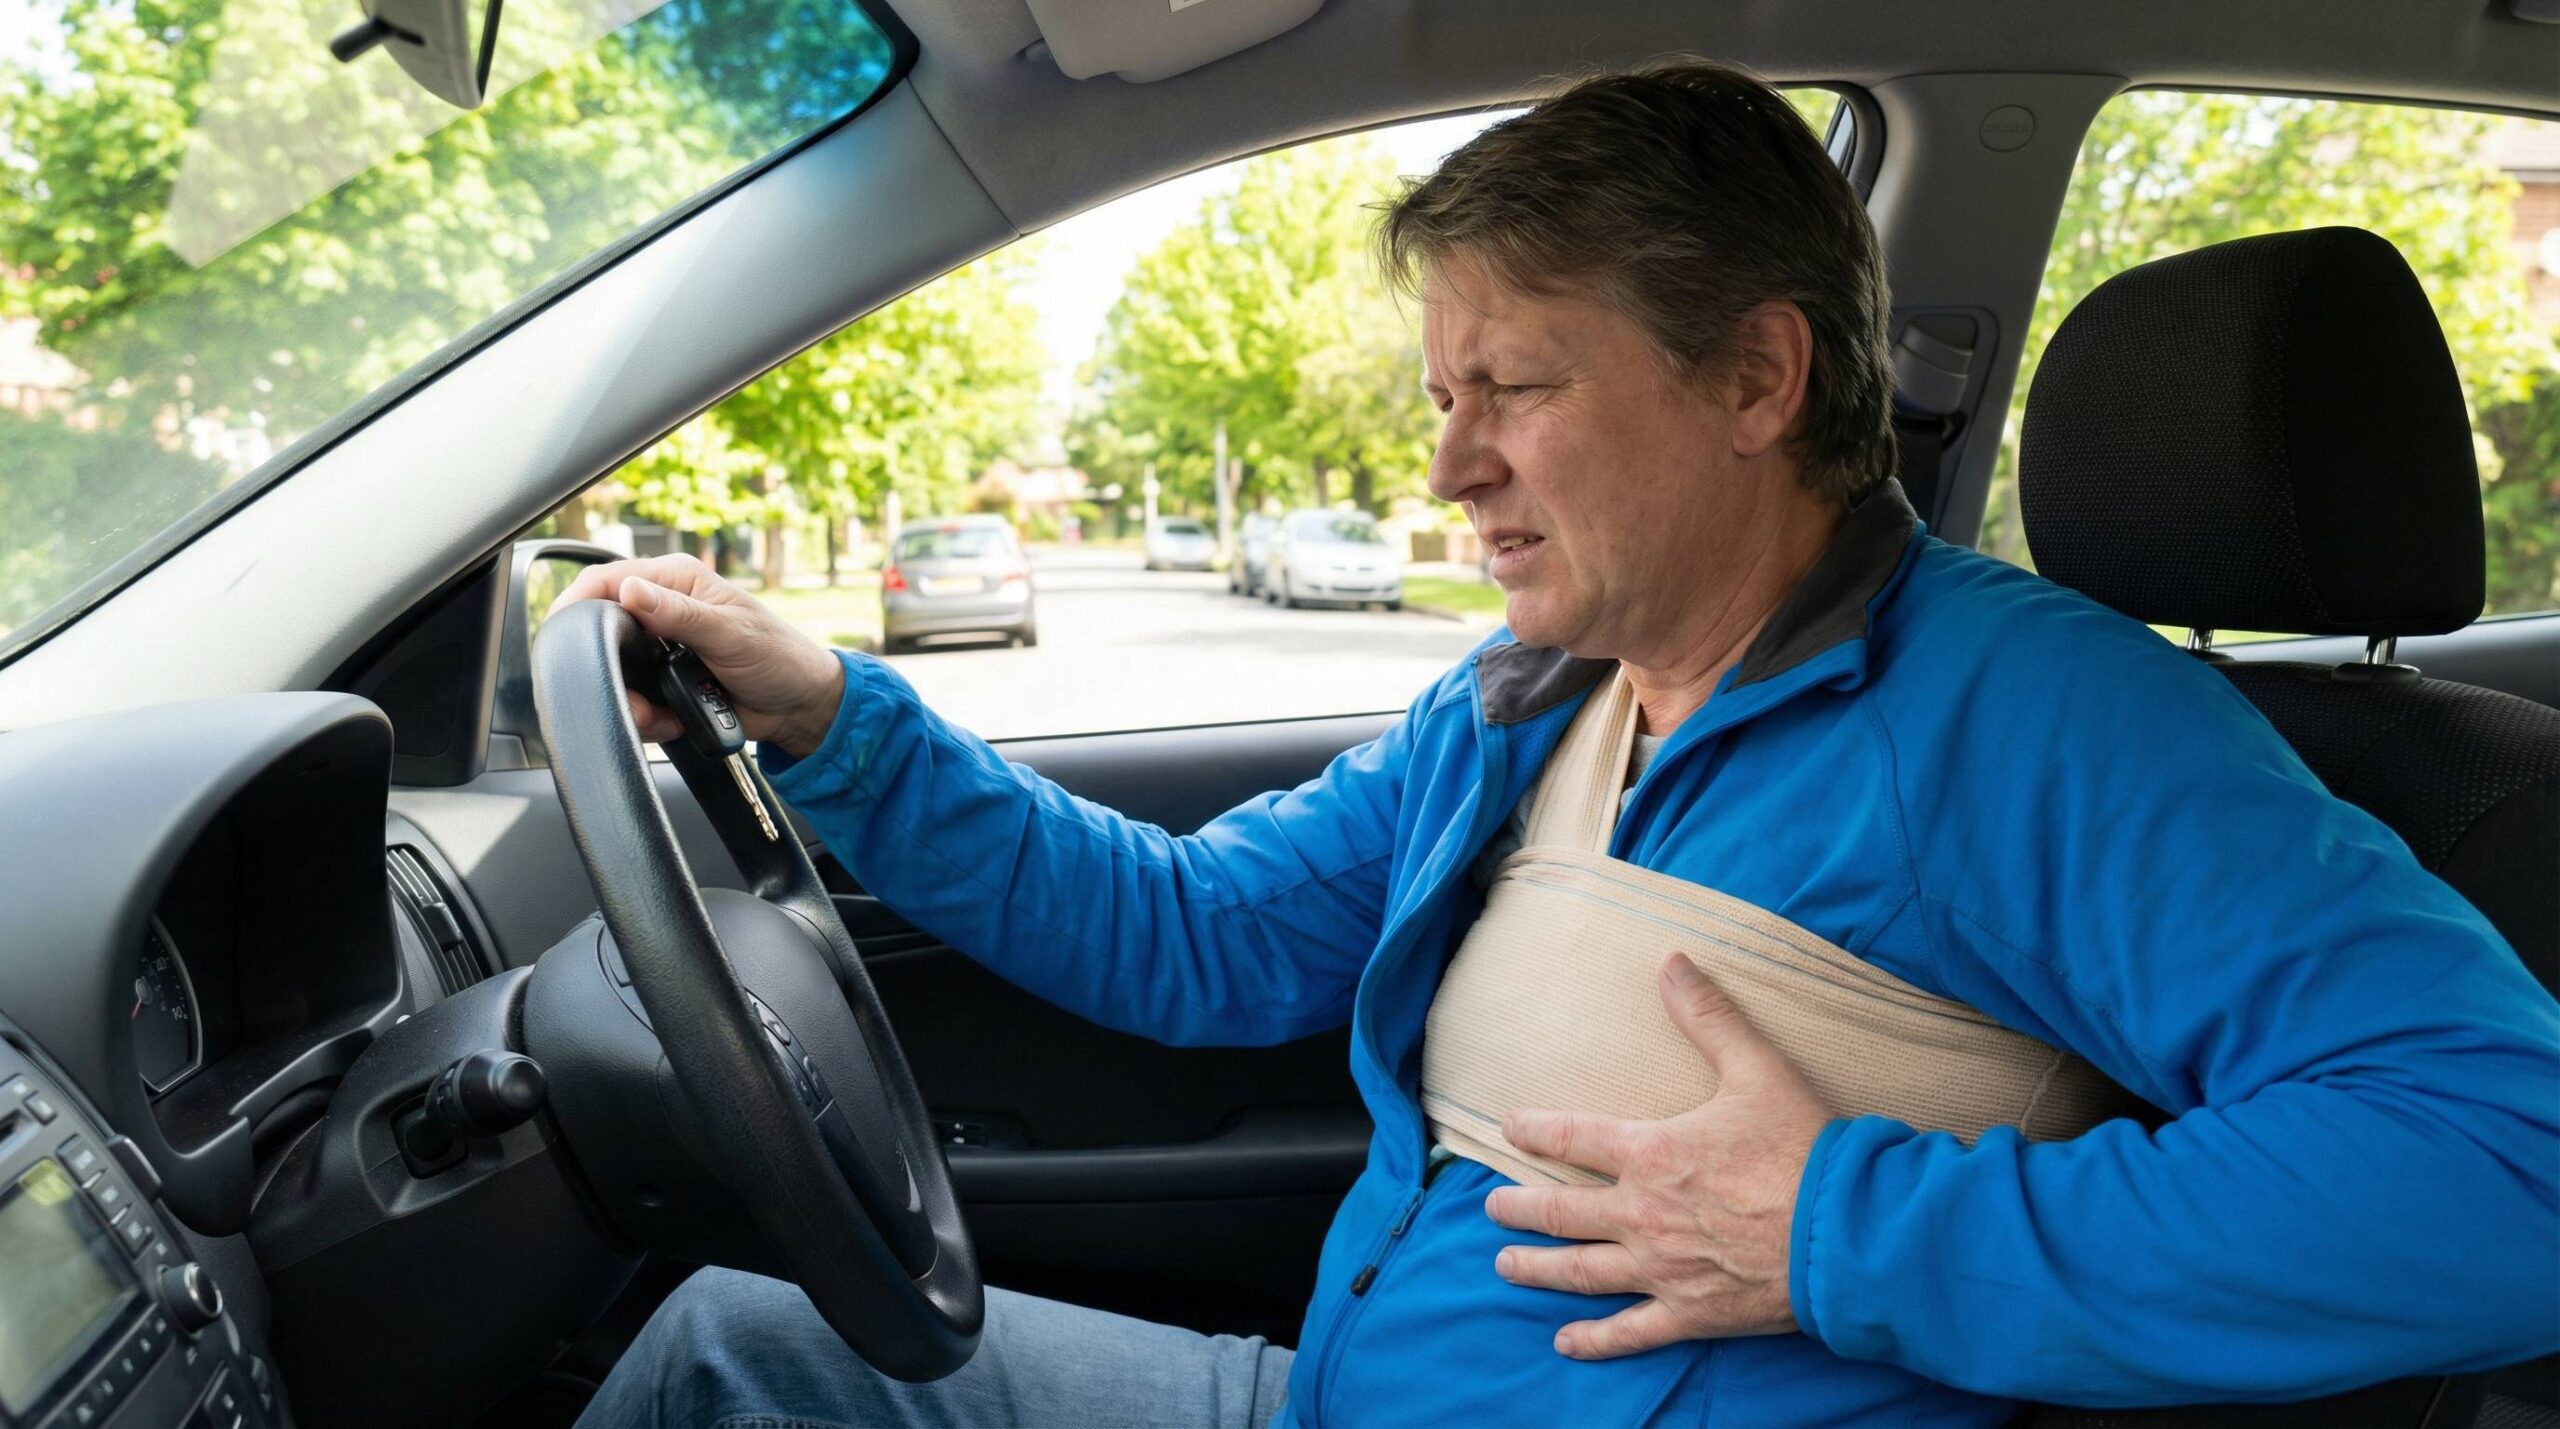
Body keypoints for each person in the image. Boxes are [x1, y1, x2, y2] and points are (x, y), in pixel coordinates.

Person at [559, 58, 2557, 1429]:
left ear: (1756, 375)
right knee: (731, 1354)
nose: (1445, 464)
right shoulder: (1527, 693)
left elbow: (2504, 1166)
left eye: (1510, 382)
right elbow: (1207, 940)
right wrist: (834, 722)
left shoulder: (2034, 719)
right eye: (1443, 390)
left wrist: (1831, 1232)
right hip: (1331, 1386)